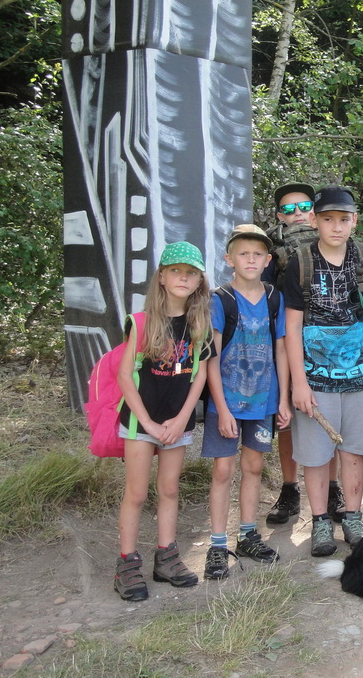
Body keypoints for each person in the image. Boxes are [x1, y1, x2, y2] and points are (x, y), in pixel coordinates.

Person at [284, 185, 363, 556]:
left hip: (360, 375)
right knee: (316, 453)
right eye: (328, 219)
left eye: (343, 219)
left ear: (355, 221)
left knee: (354, 450)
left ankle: (352, 516)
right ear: (314, 220)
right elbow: (291, 328)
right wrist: (298, 383)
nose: (336, 226)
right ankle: (320, 520)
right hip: (315, 377)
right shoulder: (300, 263)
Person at [113, 241, 214, 601]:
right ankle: (127, 564)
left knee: (169, 489)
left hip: (177, 423)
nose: (183, 278)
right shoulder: (141, 323)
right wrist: (150, 424)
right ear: (161, 277)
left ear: (199, 281)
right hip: (141, 423)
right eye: (175, 271)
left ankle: (166, 557)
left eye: (190, 273)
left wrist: (182, 419)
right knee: (137, 492)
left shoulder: (199, 324)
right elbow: (125, 377)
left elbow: (199, 376)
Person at [202, 225, 291, 580]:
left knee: (253, 467)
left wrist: (282, 399)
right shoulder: (219, 299)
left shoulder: (273, 298)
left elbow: (281, 350)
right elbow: (211, 358)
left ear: (268, 260)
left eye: (257, 254)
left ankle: (248, 535)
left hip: (263, 401)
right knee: (223, 471)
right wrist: (222, 408)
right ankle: (217, 544)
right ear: (229, 259)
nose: (251, 260)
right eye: (243, 254)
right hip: (225, 403)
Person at [263, 182, 346, 528]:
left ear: (314, 212)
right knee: (288, 418)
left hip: (329, 342)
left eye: (303, 206)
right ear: (279, 216)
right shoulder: (271, 248)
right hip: (287, 340)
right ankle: (289, 488)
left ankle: (332, 488)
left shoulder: (334, 241)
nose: (296, 213)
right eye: (288, 208)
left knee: (329, 415)